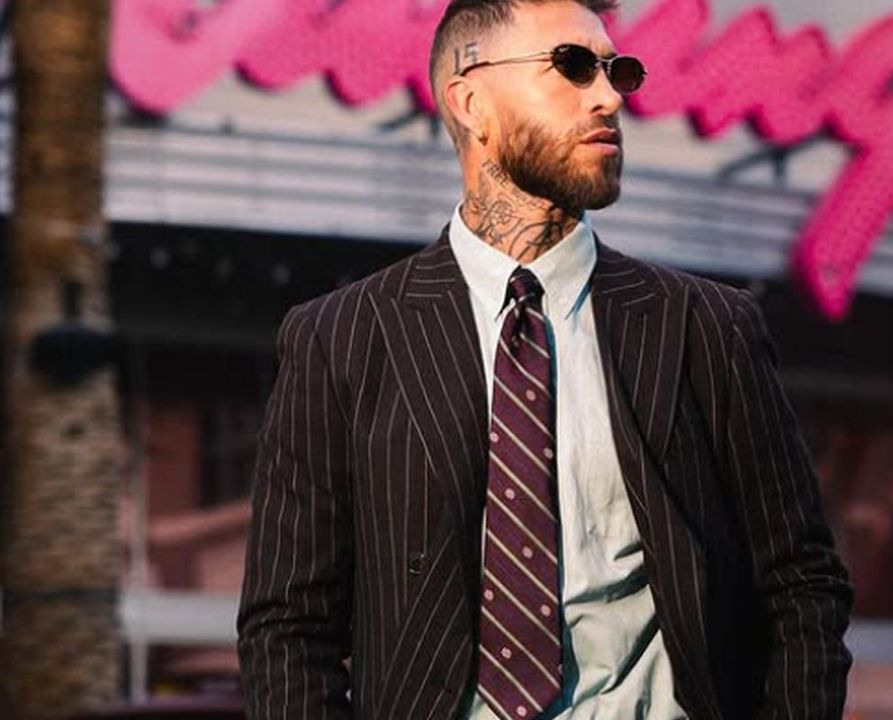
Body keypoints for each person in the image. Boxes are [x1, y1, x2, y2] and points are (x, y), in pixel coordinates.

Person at [236, 0, 854, 718]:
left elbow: (802, 583)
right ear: (471, 101)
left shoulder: (706, 328)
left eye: (617, 71)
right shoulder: (339, 339)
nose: (609, 96)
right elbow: (288, 627)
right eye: (573, 66)